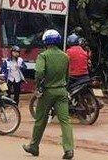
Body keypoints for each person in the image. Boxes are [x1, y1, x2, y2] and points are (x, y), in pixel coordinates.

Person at [23, 30, 74, 159]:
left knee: (40, 120)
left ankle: (34, 146)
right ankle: (69, 149)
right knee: (65, 121)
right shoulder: (65, 56)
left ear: (45, 42)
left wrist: (38, 85)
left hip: (47, 92)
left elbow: (39, 72)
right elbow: (67, 77)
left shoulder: (43, 55)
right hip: (62, 91)